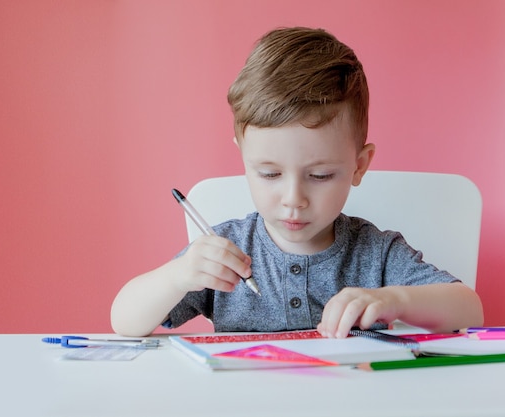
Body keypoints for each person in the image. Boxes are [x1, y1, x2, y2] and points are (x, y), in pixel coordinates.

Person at [111, 27, 484, 338]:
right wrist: (177, 276)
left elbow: (469, 309)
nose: (294, 199)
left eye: (320, 176)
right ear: (243, 157)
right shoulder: (226, 252)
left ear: (358, 166)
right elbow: (124, 322)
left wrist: (394, 300)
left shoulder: (375, 254)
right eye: (269, 173)